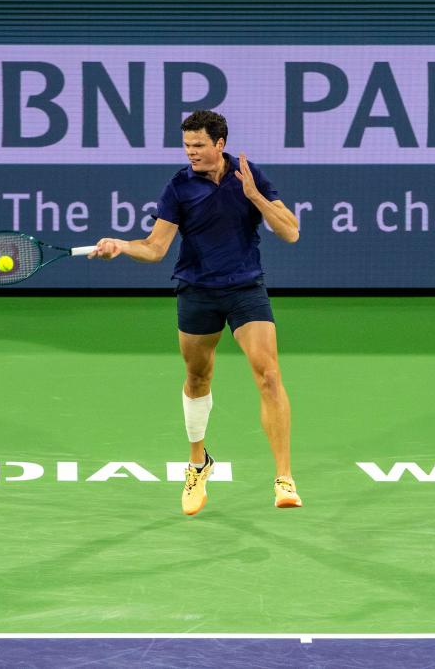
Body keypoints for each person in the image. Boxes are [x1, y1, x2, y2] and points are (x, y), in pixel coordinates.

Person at [89, 110, 302, 516]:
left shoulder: (249, 175)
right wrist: (122, 245)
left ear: (219, 144)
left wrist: (254, 195)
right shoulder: (179, 187)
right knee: (197, 376)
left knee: (269, 375)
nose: (192, 153)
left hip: (245, 288)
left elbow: (290, 232)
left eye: (199, 146)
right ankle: (198, 463)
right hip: (197, 291)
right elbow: (155, 248)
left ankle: (284, 478)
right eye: (187, 146)